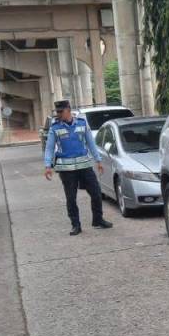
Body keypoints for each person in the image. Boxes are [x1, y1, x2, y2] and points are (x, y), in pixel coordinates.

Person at [44, 100, 113, 235]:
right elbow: (49, 148)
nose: (58, 114)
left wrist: (98, 160)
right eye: (57, 112)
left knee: (96, 193)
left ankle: (98, 220)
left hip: (84, 165)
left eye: (60, 111)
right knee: (71, 198)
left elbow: (90, 143)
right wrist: (48, 165)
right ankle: (76, 225)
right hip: (66, 169)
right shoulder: (55, 127)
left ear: (68, 110)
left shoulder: (82, 123)